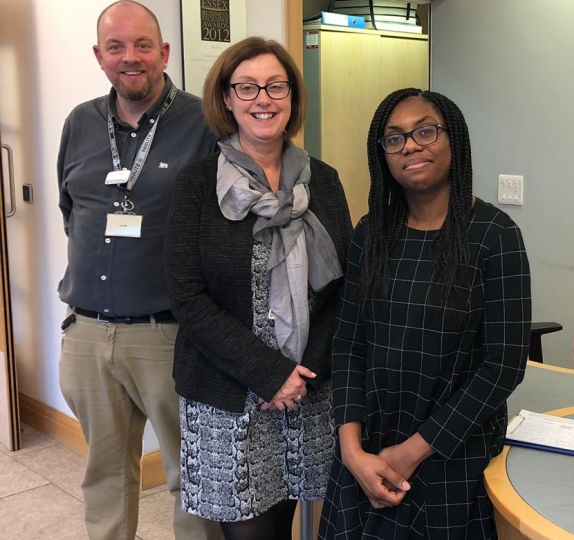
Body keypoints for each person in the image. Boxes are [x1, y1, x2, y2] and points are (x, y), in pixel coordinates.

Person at [318, 88, 532, 540]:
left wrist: (411, 452)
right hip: (368, 446)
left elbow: (503, 365)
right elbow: (348, 345)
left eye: (425, 131)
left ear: (453, 139)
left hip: (449, 452)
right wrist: (352, 451)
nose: (410, 146)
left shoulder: (494, 235)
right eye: (393, 139)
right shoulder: (371, 233)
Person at [164, 36, 352, 540]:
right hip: (227, 392)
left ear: (292, 97)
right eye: (246, 87)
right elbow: (187, 297)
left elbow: (342, 290)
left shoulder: (325, 182)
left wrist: (299, 376)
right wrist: (269, 374)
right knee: (247, 531)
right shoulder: (197, 185)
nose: (262, 99)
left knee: (283, 518)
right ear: (226, 99)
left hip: (304, 389)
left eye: (275, 86)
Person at [57, 2, 220, 539]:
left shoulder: (204, 123)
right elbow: (71, 211)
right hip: (85, 334)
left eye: (142, 45)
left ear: (164, 52)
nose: (131, 58)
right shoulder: (79, 122)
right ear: (100, 56)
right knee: (103, 476)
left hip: (168, 333)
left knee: (190, 476)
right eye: (116, 47)